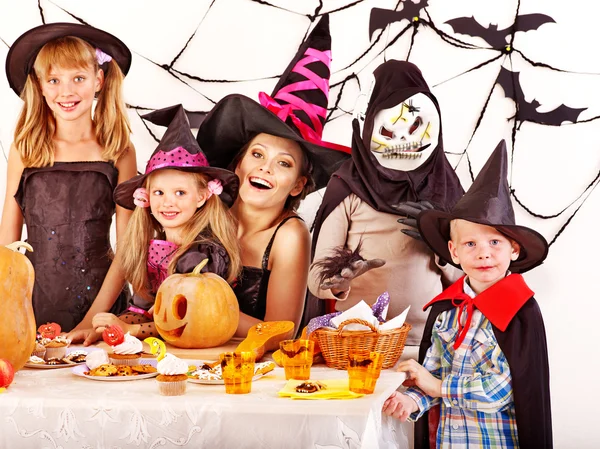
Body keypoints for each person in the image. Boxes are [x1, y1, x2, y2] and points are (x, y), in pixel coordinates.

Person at [382, 141, 552, 449]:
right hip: (450, 441)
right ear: (454, 252)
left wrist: (435, 386)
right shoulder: (446, 310)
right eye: (470, 244)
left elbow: (501, 390)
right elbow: (430, 373)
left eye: (495, 243)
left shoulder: (519, 310)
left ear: (513, 249)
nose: (484, 254)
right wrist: (411, 400)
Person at [196, 14, 350, 344]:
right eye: (257, 154)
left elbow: (282, 333)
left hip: (258, 373)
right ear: (237, 164)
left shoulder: (289, 235)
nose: (265, 168)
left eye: (283, 163)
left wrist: (207, 308)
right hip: (193, 357)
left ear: (297, 184)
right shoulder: (206, 212)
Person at [305, 60, 464, 347]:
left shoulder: (446, 190)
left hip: (429, 343)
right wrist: (337, 281)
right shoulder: (348, 186)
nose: (403, 140)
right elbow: (317, 278)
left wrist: (440, 242)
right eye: (389, 132)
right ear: (368, 126)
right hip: (356, 341)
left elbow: (469, 279)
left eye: (415, 128)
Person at [0, 23, 137, 332]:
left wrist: (91, 322)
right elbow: (7, 242)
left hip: (101, 306)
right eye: (54, 80)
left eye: (78, 78)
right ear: (40, 85)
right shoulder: (26, 149)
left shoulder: (119, 150)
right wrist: (7, 308)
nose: (67, 91)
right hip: (31, 304)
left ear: (98, 80)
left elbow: (129, 246)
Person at [71, 105, 242, 342]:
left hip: (199, 351)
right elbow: (139, 311)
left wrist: (131, 330)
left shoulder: (200, 256)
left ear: (202, 197)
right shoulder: (154, 251)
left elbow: (187, 322)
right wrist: (103, 328)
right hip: (162, 352)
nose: (167, 203)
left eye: (180, 193)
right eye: (159, 192)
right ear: (146, 197)